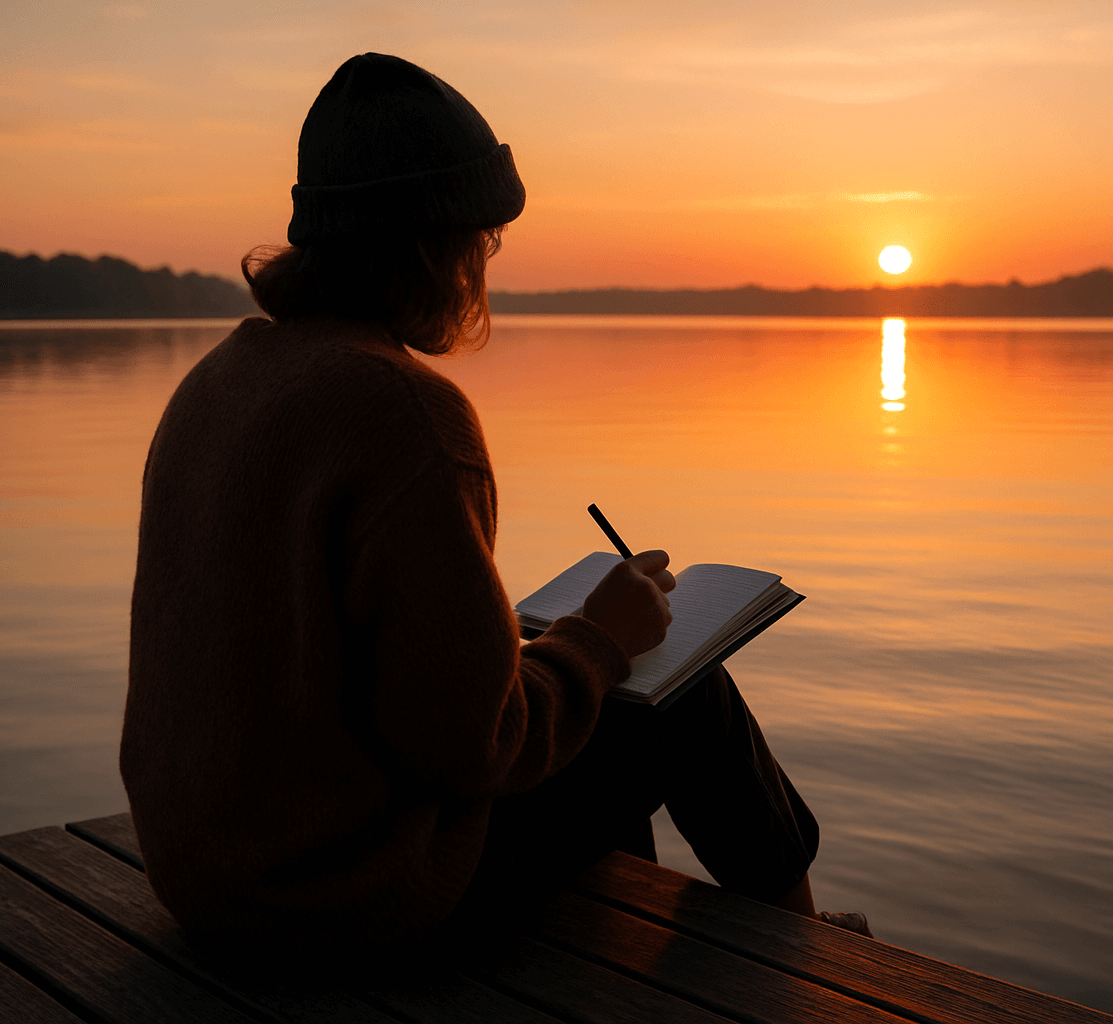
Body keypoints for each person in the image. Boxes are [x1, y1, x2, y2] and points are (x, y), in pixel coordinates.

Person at [120, 52, 865, 963]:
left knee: (593, 698)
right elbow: (479, 751)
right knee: (679, 692)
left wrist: (531, 647)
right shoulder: (403, 411)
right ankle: (808, 955)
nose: (483, 265)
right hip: (339, 898)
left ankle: (617, 951)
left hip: (209, 879)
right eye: (483, 239)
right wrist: (599, 642)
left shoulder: (217, 381)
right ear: (437, 244)